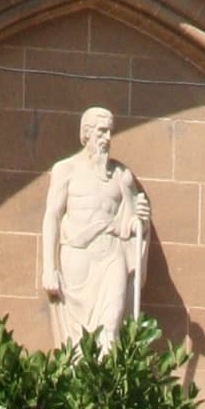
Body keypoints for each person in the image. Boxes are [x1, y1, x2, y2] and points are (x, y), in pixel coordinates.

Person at [40, 105, 151, 346]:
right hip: (77, 256)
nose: (107, 138)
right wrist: (49, 267)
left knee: (111, 326)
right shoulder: (66, 170)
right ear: (87, 133)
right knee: (79, 339)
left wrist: (141, 220)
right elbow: (53, 217)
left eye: (110, 131)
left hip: (111, 255)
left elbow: (133, 224)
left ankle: (109, 370)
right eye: (101, 131)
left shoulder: (122, 175)